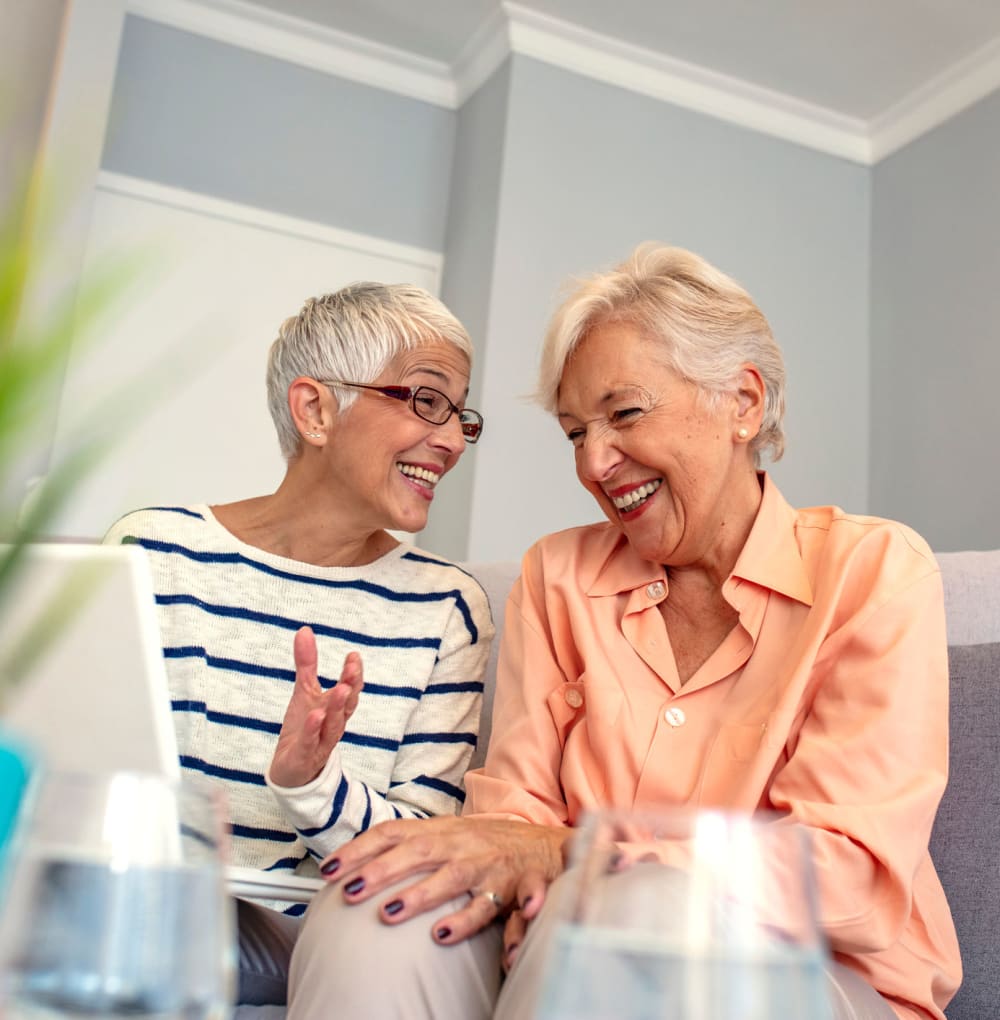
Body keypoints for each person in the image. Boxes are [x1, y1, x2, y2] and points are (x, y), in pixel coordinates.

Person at [285, 245, 960, 1020]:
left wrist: (577, 857)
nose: (595, 462)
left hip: (820, 982)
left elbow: (848, 877)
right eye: (575, 433)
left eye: (625, 413)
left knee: (639, 916)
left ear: (742, 402)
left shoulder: (872, 570)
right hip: (559, 949)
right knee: (379, 906)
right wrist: (531, 858)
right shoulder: (558, 576)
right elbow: (515, 816)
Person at [102, 282, 494, 1008]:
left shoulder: (446, 608)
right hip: (142, 906)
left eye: (460, 414)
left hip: (317, 939)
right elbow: (88, 768)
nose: (449, 439)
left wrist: (311, 786)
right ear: (316, 410)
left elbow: (428, 848)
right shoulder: (153, 552)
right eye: (425, 400)